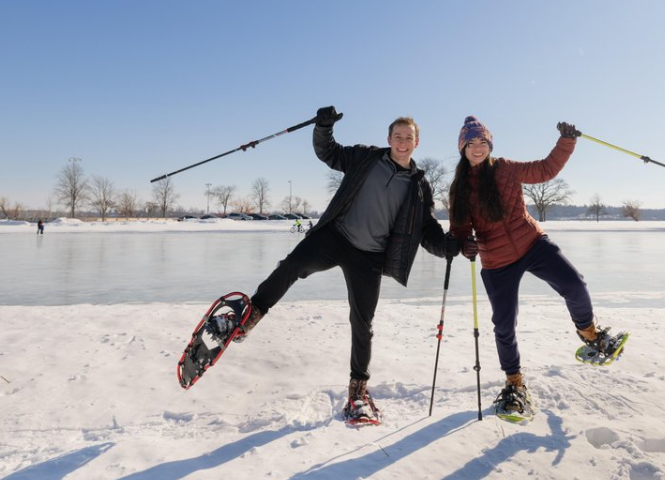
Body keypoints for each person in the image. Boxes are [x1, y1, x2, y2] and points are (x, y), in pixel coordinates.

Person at [233, 107, 456, 422]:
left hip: (370, 255)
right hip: (335, 237)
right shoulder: (366, 158)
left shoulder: (419, 186)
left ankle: (357, 393)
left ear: (416, 143)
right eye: (398, 136)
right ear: (389, 138)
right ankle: (251, 314)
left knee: (362, 323)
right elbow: (329, 153)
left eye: (409, 138)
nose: (402, 142)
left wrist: (446, 246)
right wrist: (323, 128)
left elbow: (427, 228)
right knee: (292, 265)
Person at [447, 116, 625, 418]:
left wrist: (566, 141)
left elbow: (544, 169)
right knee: (504, 326)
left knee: (575, 285)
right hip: (497, 261)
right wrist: (466, 245)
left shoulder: (505, 168)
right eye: (471, 143)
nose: (478, 148)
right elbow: (460, 230)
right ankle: (514, 383)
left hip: (531, 243)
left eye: (483, 142)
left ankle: (590, 334)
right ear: (462, 148)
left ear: (490, 145)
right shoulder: (459, 188)